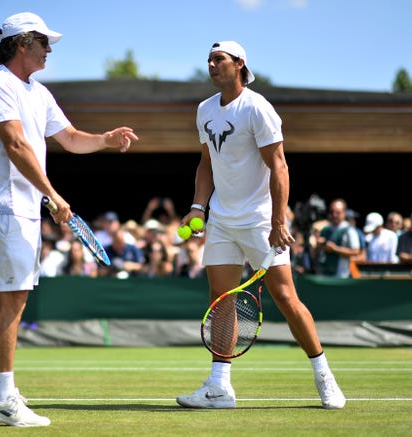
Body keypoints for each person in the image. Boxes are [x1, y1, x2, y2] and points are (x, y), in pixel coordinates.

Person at [0, 12, 138, 428]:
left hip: (22, 209)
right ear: (22, 44)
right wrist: (53, 196)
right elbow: (17, 145)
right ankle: (2, 396)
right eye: (43, 43)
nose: (50, 50)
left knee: (8, 296)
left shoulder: (38, 91)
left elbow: (70, 139)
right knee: (13, 298)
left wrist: (106, 140)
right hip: (3, 206)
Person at [175, 41, 345, 410]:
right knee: (221, 302)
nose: (211, 64)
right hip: (221, 220)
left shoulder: (258, 108)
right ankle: (220, 388)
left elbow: (279, 166)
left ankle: (324, 375)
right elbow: (206, 164)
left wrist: (278, 220)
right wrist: (197, 207)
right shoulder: (204, 109)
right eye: (209, 59)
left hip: (259, 221)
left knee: (286, 299)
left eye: (219, 59)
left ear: (239, 65)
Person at [316, 199, 361, 278]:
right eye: (332, 212)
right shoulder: (325, 229)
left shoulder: (349, 230)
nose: (334, 215)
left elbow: (356, 251)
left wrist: (335, 249)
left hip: (341, 274)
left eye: (337, 212)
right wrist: (319, 245)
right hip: (325, 273)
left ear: (344, 213)